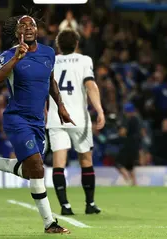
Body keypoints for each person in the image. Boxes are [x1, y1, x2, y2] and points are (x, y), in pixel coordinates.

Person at [0, 15, 72, 234]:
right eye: (23, 26)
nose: (28, 28)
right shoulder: (9, 54)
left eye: (32, 25)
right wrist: (16, 58)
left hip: (38, 122)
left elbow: (50, 81)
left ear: (37, 29)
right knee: (36, 166)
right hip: (17, 118)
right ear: (17, 33)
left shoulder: (48, 53)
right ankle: (49, 223)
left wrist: (60, 106)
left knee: (30, 171)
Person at [46, 29, 104, 215]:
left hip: (56, 118)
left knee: (58, 163)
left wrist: (44, 110)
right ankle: (90, 204)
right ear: (77, 44)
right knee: (86, 160)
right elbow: (90, 85)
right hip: (79, 118)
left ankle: (65, 206)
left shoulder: (50, 60)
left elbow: (43, 88)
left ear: (58, 45)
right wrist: (100, 110)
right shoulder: (84, 60)